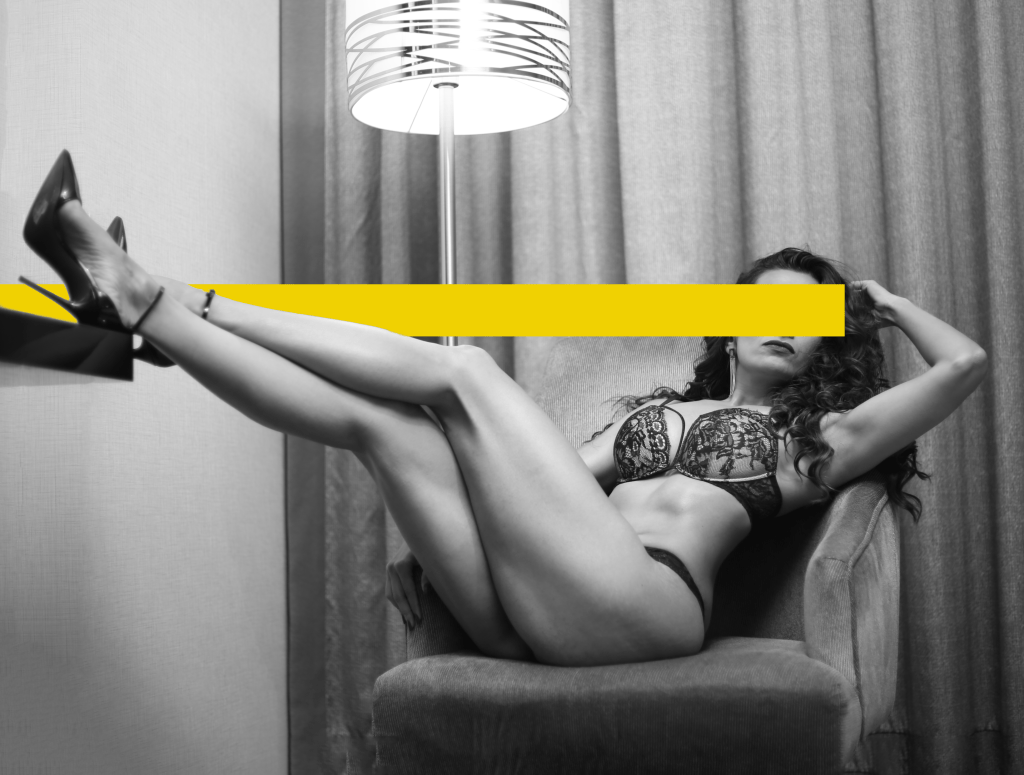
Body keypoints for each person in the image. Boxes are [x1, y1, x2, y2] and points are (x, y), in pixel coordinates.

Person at [20, 151, 988, 667]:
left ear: (825, 340)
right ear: (728, 329)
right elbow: (538, 486)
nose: (785, 327)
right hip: (531, 612)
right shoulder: (648, 421)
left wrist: (880, 302)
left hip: (645, 608)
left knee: (468, 375)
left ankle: (166, 297)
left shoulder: (816, 440)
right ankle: (156, 323)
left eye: (807, 317)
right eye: (766, 309)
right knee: (384, 427)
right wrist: (437, 546)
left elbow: (964, 367)